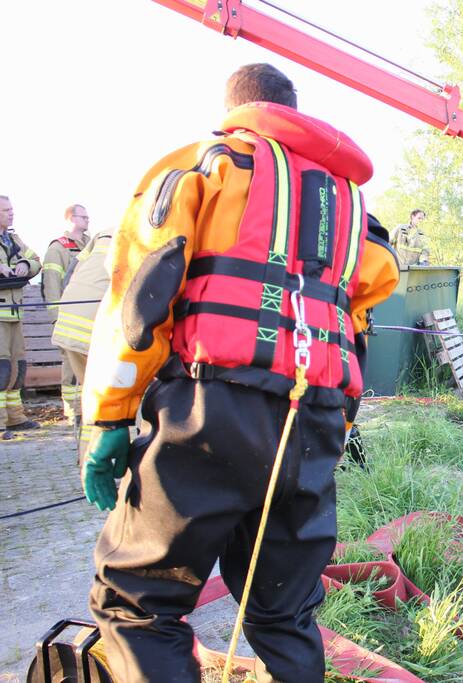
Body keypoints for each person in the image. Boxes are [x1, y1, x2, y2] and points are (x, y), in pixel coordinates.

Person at [80, 63, 398, 682]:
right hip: (314, 424)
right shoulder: (355, 211)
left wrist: (110, 420)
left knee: (137, 607)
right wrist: (336, 424)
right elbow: (356, 318)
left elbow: (136, 302)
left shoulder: (204, 167)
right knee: (285, 614)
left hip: (210, 413)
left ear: (233, 110)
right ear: (295, 111)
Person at [52, 229, 112, 460]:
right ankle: (101, 465)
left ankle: (87, 462)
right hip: (96, 328)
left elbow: (70, 275)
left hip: (70, 322)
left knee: (92, 398)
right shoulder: (146, 236)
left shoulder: (104, 234)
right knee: (115, 401)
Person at [42, 204, 90, 424]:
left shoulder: (91, 244)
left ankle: (89, 406)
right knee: (70, 366)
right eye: (83, 216)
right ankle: (73, 411)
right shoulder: (58, 248)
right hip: (69, 317)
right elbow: (51, 285)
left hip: (90, 315)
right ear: (71, 218)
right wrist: (56, 317)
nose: (88, 219)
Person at [0, 195, 42, 440]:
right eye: (6, 210)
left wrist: (25, 264)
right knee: (1, 368)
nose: (11, 213)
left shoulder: (13, 238)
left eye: (11, 209)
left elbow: (36, 260)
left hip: (15, 313)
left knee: (17, 367)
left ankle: (15, 418)